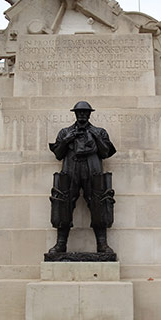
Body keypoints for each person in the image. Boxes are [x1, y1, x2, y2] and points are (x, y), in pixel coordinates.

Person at [48, 101, 116, 254]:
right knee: (63, 203)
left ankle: (102, 244)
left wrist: (95, 136)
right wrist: (67, 139)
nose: (82, 115)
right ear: (75, 114)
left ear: (90, 114)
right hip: (71, 169)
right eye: (80, 112)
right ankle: (60, 244)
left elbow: (105, 153)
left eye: (85, 112)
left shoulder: (100, 132)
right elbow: (58, 154)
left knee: (99, 203)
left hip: (92, 169)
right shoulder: (65, 132)